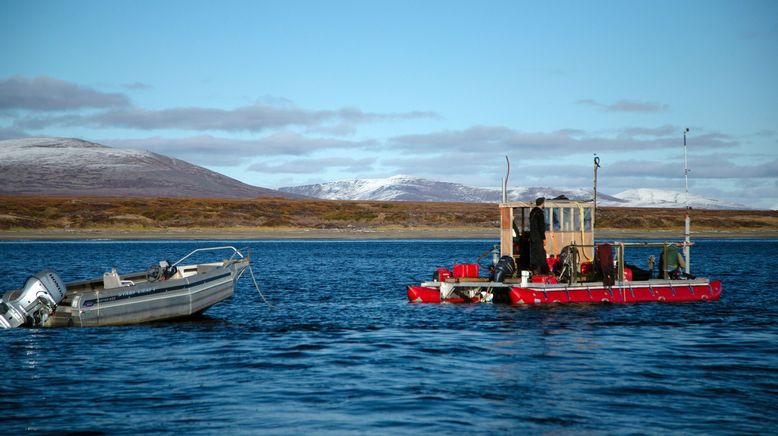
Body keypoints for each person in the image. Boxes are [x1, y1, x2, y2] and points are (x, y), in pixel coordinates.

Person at [529, 197, 550, 275]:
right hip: (538, 237)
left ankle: (535, 269)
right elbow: (541, 227)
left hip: (532, 237)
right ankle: (545, 271)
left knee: (534, 254)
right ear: (542, 203)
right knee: (541, 253)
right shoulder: (540, 213)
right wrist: (543, 238)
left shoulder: (532, 212)